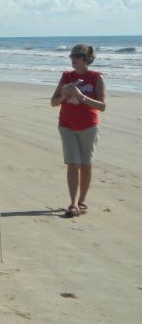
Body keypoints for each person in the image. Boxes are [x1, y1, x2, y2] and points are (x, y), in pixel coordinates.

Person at [50, 43, 106, 218]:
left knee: (86, 164)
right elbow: (53, 102)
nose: (73, 59)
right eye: (71, 56)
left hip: (89, 125)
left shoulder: (96, 77)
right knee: (73, 163)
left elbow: (102, 106)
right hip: (66, 125)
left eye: (77, 56)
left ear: (87, 59)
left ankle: (82, 201)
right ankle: (73, 203)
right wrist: (64, 96)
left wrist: (81, 97)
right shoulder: (66, 76)